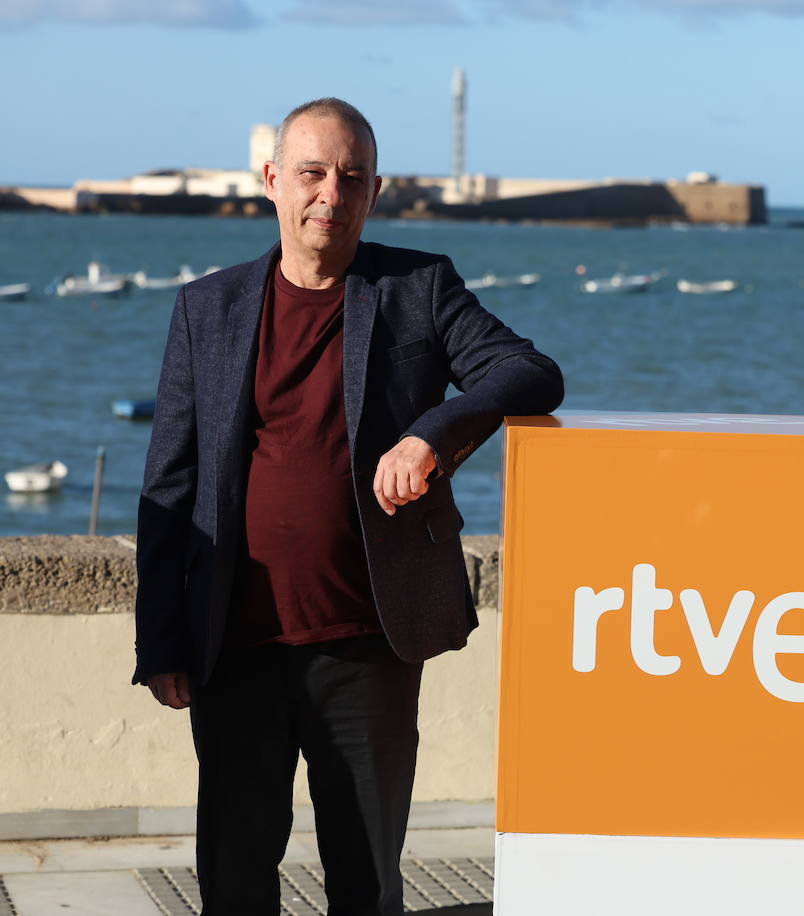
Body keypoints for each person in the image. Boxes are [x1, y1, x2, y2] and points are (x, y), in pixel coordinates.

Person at [132, 97, 563, 915]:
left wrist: (432, 435)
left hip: (369, 642)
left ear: (375, 191)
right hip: (232, 645)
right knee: (234, 882)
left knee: (366, 886)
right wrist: (161, 640)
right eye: (313, 173)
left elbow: (530, 372)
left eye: (353, 177)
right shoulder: (207, 307)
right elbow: (168, 485)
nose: (331, 193)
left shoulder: (418, 287)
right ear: (272, 180)